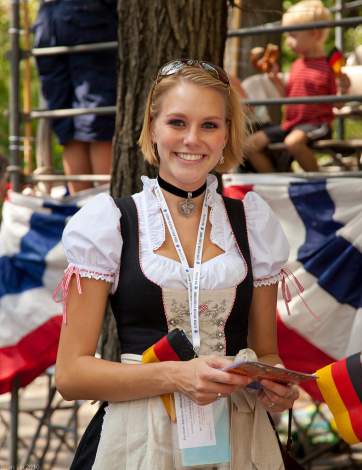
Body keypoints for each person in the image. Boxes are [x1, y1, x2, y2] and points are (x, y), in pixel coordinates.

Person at [54, 59, 299, 469]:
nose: (192, 139)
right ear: (152, 128)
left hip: (239, 439)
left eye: (209, 125)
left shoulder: (252, 224)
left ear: (226, 135)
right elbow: (71, 375)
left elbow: (268, 355)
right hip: (138, 441)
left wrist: (277, 385)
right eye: (177, 122)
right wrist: (176, 376)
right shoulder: (110, 223)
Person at [32, 0, 117, 194]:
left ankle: (83, 213)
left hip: (46, 19)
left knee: (67, 121)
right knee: (98, 117)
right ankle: (108, 211)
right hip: (88, 15)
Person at [244, 0, 337, 173]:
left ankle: (318, 181)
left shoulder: (328, 66)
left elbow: (337, 102)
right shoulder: (297, 65)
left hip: (316, 124)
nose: (287, 41)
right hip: (291, 124)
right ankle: (277, 182)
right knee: (249, 145)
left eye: (293, 35)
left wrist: (344, 87)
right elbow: (289, 97)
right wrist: (276, 82)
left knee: (293, 142)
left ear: (314, 34)